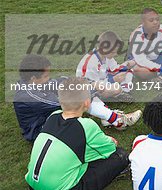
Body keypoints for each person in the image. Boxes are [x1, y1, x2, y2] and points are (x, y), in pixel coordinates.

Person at [25, 77, 129, 190]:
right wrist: (110, 141)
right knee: (120, 155)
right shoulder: (86, 125)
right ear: (87, 102)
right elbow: (109, 149)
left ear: (60, 100)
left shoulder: (53, 115)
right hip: (63, 189)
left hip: (32, 186)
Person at [13, 54, 141, 141]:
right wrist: (92, 88)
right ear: (33, 79)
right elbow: (63, 102)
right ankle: (115, 120)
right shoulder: (29, 97)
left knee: (80, 94)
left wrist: (89, 84)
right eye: (46, 76)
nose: (49, 79)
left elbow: (61, 82)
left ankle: (112, 118)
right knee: (79, 104)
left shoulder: (34, 83)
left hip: (51, 116)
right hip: (41, 131)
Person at [76, 30, 135, 100]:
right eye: (113, 52)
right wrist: (113, 80)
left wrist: (127, 65)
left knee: (129, 72)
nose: (115, 54)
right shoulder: (91, 63)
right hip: (88, 91)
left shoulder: (106, 56)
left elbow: (115, 69)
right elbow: (92, 86)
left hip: (105, 81)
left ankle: (124, 91)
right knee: (116, 89)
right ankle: (120, 92)